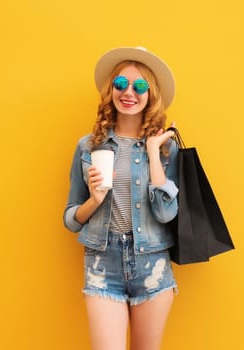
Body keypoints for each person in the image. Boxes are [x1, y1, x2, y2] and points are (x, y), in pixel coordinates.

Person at [63, 46, 179, 350]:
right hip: (103, 263)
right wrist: (95, 199)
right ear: (110, 90)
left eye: (140, 86)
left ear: (150, 94)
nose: (129, 92)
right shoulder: (88, 147)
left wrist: (154, 154)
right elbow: (71, 220)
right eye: (120, 84)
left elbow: (167, 214)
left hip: (152, 263)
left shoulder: (167, 149)